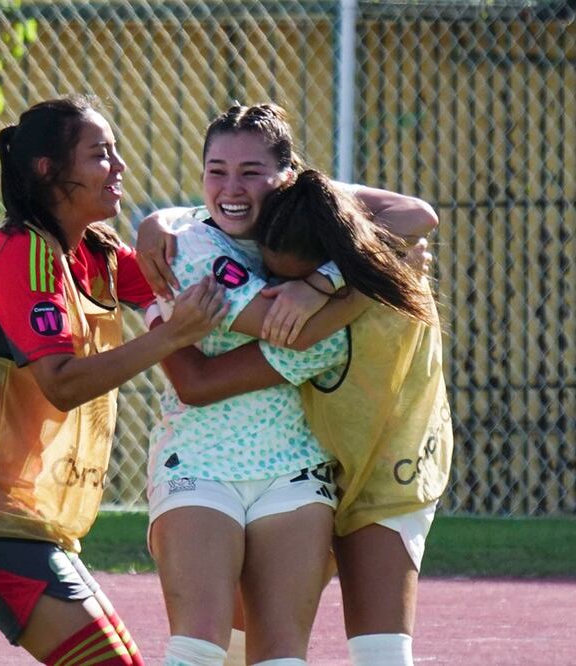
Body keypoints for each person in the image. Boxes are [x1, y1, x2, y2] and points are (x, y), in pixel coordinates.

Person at [0, 95, 229, 665]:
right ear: (48, 171)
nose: (119, 166)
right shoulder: (21, 254)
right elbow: (62, 382)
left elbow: (175, 275)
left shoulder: (97, 254)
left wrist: (165, 224)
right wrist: (167, 338)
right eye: (100, 154)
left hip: (25, 519)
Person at [136, 103, 444, 666]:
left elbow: (418, 213)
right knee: (206, 646)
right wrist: (365, 279)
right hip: (204, 467)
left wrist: (325, 283)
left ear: (289, 174)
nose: (231, 186)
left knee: (348, 655)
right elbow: (237, 358)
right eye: (216, 170)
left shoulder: (326, 230)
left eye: (251, 171)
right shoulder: (194, 245)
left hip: (353, 463)